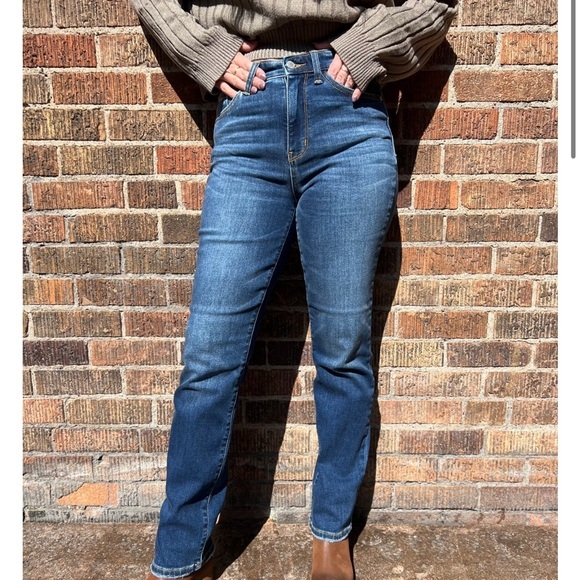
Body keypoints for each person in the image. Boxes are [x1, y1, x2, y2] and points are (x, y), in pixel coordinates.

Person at [128, 1, 458, 579]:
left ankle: (332, 534)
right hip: (249, 111)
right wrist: (206, 53)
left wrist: (366, 48)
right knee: (208, 358)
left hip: (348, 116)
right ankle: (181, 555)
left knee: (343, 349)